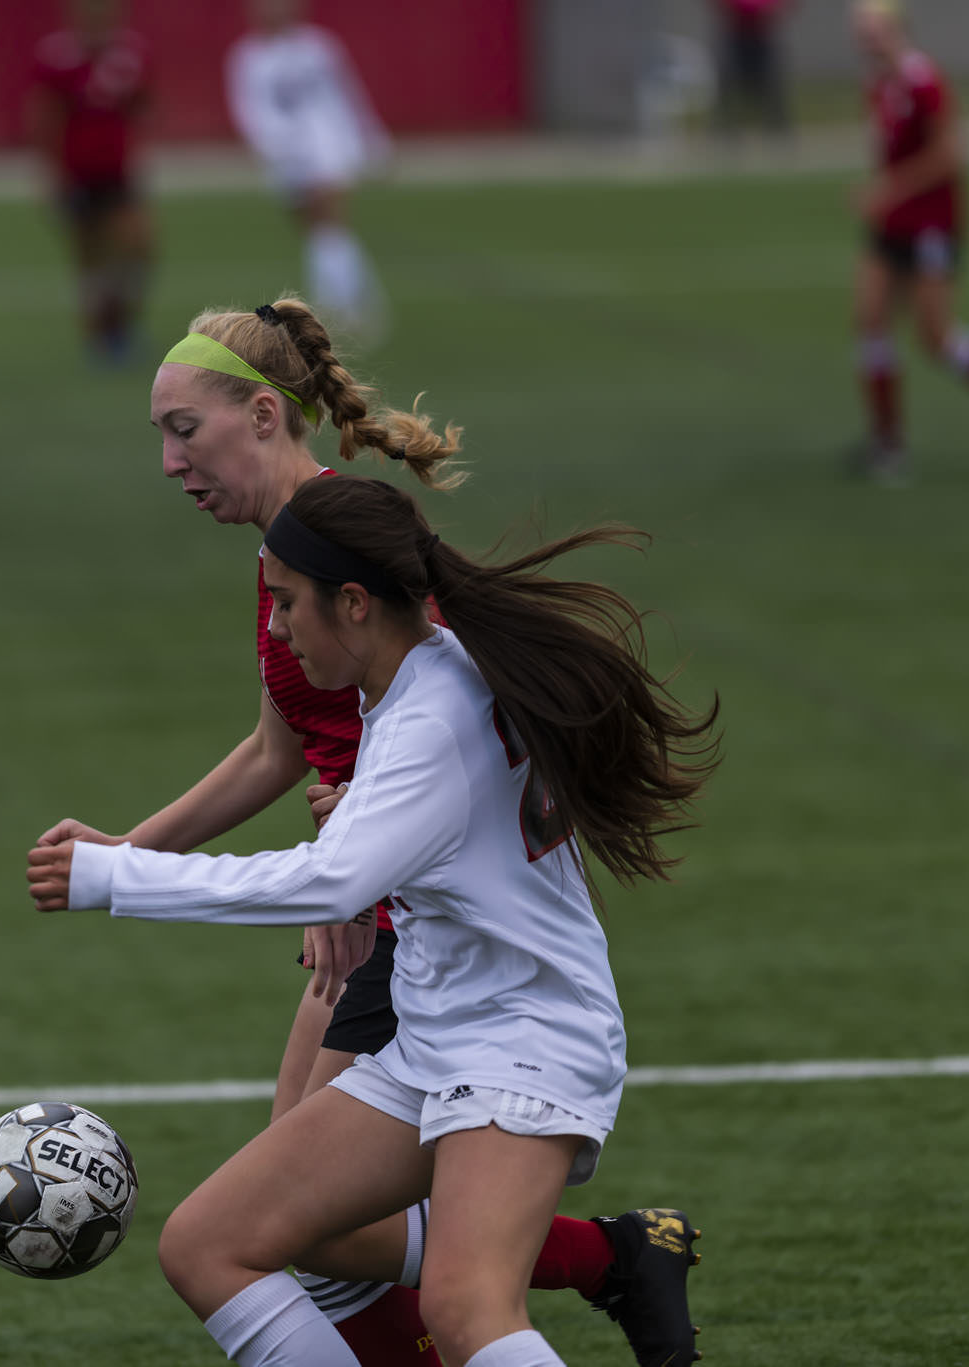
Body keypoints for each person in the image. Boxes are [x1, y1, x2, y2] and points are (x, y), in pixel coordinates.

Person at [35, 300, 702, 1366]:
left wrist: (122, 875)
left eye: (179, 429)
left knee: (466, 1307)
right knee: (224, 1240)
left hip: (505, 1026)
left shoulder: (414, 670)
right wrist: (137, 848)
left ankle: (615, 1258)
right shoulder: (360, 613)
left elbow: (340, 857)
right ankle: (615, 1255)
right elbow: (297, 762)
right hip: (438, 1004)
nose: (277, 629)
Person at [848, 0, 969, 483]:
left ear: (897, 28)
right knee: (870, 321)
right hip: (892, 224)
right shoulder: (879, 84)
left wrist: (889, 188)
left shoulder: (923, 80)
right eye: (861, 29)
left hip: (932, 226)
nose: (866, 37)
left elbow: (950, 155)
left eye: (874, 28)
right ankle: (887, 444)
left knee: (936, 338)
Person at [226, 0, 390, 337]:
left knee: (330, 220)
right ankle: (363, 300)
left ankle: (338, 307)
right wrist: (276, 147)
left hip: (330, 145)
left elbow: (346, 94)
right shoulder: (248, 55)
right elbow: (250, 109)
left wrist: (371, 140)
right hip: (287, 157)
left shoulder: (318, 46)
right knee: (319, 230)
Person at [30, 0, 154, 364]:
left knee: (138, 247)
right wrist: (51, 175)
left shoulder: (129, 53)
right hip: (78, 173)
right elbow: (42, 115)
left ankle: (122, 325)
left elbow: (143, 102)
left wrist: (140, 143)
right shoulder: (58, 57)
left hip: (119, 173)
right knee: (91, 258)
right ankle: (100, 338)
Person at [711, 0, 791, 137]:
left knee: (772, 84)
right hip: (735, 32)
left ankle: (777, 129)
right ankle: (725, 130)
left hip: (763, 33)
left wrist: (770, 9)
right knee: (728, 85)